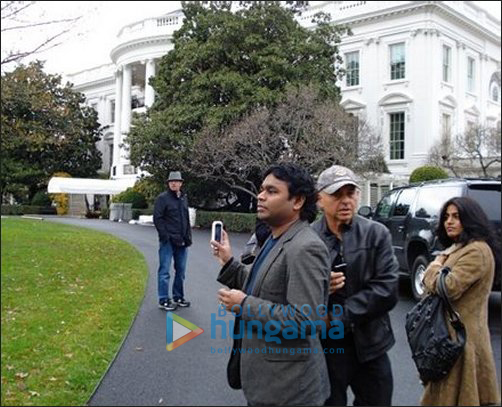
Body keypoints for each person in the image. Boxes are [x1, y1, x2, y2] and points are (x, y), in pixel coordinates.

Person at [211, 163, 330, 406]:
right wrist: (228, 262)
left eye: (272, 191)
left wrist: (244, 304)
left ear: (297, 201)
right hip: (268, 385)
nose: (260, 196)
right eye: (262, 189)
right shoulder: (276, 237)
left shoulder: (306, 247)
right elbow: (262, 284)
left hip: (289, 392)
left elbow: (304, 320)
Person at [312, 165, 399, 406]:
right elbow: (294, 292)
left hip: (372, 345)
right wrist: (320, 287)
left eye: (351, 193)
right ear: (320, 199)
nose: (346, 201)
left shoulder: (376, 234)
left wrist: (338, 318)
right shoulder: (309, 240)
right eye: (337, 195)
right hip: (328, 349)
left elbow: (387, 289)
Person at [421, 196, 500, 406]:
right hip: (449, 340)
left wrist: (434, 267)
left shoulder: (477, 251)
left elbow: (448, 286)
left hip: (464, 342)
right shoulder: (460, 248)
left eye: (456, 216)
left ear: (470, 219)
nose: (449, 221)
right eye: (446, 216)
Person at [153, 171, 192, 311]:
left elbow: (186, 219)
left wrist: (188, 237)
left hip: (182, 241)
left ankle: (178, 297)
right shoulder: (162, 199)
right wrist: (165, 237)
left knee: (181, 271)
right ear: (168, 183)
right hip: (168, 242)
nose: (174, 183)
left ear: (181, 183)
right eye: (171, 181)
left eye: (176, 181)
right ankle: (163, 299)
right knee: (164, 271)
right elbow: (157, 218)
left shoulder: (183, 198)